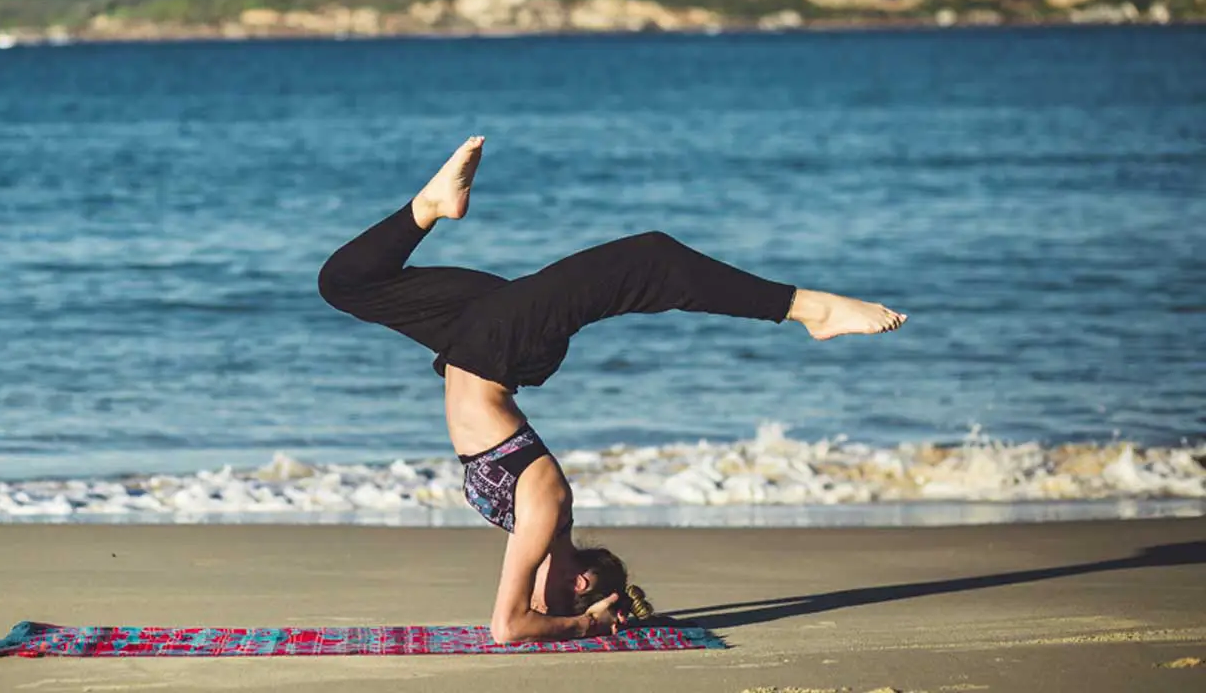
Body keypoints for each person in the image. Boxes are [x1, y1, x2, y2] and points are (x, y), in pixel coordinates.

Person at [317, 136, 906, 643]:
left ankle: (431, 206)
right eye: (550, 600)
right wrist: (586, 624)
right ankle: (810, 309)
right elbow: (511, 625)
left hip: (474, 338)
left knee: (345, 282)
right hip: (500, 347)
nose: (533, 598)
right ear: (579, 581)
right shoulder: (546, 507)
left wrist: (594, 617)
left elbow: (511, 621)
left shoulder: (533, 528)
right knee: (651, 257)